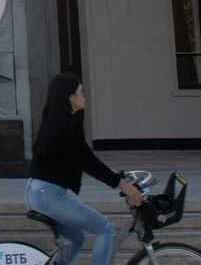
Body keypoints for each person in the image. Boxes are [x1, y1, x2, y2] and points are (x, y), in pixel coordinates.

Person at [26, 73, 144, 265]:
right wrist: (123, 186)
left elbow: (79, 159)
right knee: (104, 228)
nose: (84, 96)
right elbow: (89, 163)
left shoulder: (54, 122)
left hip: (36, 192)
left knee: (77, 238)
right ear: (70, 97)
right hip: (49, 195)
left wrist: (111, 173)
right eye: (82, 92)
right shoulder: (67, 127)